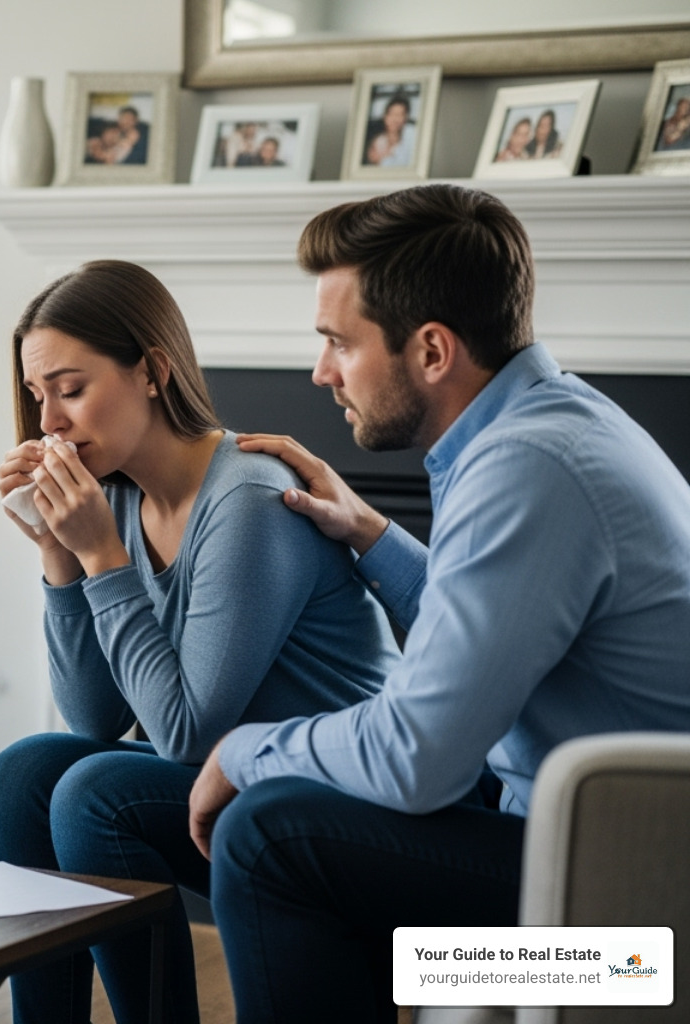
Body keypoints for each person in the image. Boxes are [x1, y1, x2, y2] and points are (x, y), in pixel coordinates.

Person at [185, 184, 690, 1022]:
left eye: (339, 344)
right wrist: (374, 535)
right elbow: (502, 628)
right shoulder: (552, 423)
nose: (320, 373)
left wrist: (244, 748)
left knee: (271, 835)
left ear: (430, 351)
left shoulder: (529, 467)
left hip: (633, 941)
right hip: (592, 854)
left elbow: (416, 759)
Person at [0, 260, 398, 1024]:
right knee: (27, 771)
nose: (48, 423)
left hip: (340, 792)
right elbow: (94, 720)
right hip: (240, 776)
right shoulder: (117, 495)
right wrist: (58, 555)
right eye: (37, 396)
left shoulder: (246, 497)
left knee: (92, 793)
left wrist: (104, 560)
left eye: (70, 390)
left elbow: (183, 734)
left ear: (151, 371)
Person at [363, 94, 415, 168]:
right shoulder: (379, 141)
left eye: (400, 115)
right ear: (385, 116)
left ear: (406, 118)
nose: (395, 119)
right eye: (392, 114)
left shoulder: (411, 135)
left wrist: (382, 159)